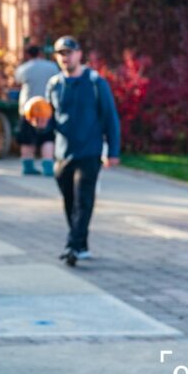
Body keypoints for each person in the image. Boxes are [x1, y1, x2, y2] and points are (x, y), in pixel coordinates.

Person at [46, 36, 121, 267]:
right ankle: (82, 244)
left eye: (69, 52)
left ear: (79, 54)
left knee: (83, 199)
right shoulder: (55, 84)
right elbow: (50, 121)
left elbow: (110, 118)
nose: (65, 57)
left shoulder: (96, 82)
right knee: (69, 200)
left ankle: (72, 245)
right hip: (64, 153)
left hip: (89, 151)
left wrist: (113, 151)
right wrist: (40, 124)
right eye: (61, 54)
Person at [15, 43, 60, 177]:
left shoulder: (25, 68)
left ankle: (28, 165)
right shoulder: (51, 67)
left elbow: (17, 81)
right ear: (40, 53)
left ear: (28, 55)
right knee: (47, 138)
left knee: (27, 138)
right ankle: (48, 166)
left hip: (29, 108)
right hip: (46, 106)